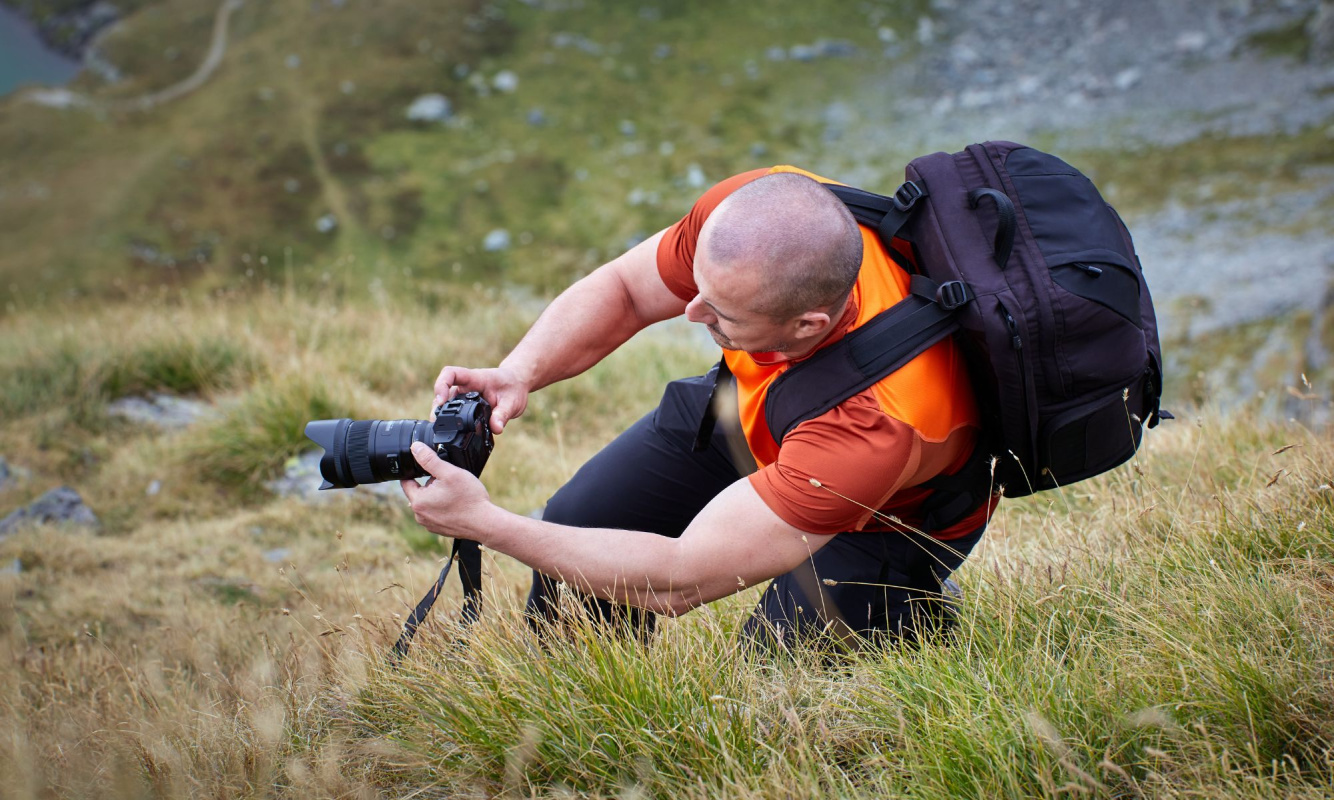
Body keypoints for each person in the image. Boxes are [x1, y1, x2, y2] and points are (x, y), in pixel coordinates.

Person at [400, 166, 996, 649]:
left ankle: (910, 611)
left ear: (807, 323)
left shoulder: (877, 423)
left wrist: (485, 523)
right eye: (698, 288)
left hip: (885, 513)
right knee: (580, 523)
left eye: (722, 314)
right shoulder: (754, 213)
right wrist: (516, 373)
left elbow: (679, 579)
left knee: (782, 674)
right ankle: (581, 717)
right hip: (755, 409)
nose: (691, 313)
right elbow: (629, 291)